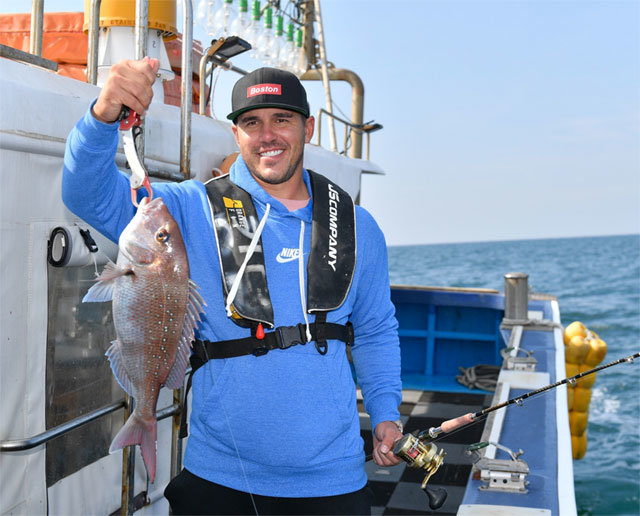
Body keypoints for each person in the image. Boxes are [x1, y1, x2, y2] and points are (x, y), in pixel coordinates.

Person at [62, 57, 402, 515]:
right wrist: (103, 115)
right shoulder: (184, 210)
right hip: (218, 477)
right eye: (251, 122)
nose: (267, 135)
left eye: (282, 119)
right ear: (235, 134)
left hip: (334, 481)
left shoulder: (359, 227)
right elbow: (85, 192)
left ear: (309, 127)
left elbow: (377, 329)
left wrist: (385, 413)